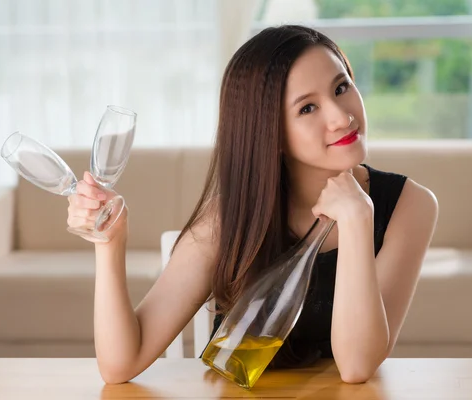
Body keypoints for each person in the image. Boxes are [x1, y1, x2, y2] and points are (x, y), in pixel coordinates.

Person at [66, 25, 438, 384]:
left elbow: (357, 366)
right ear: (269, 132)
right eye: (307, 109)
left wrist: (358, 218)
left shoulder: (411, 206)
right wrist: (109, 244)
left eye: (341, 87)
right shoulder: (231, 216)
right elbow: (120, 365)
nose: (342, 116)